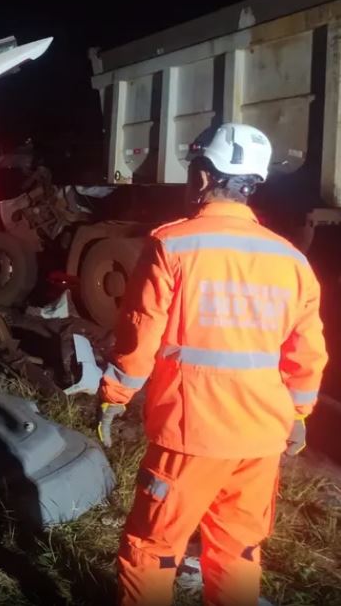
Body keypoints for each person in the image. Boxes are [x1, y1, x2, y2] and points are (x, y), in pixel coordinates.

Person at [97, 123, 329, 606]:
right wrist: (299, 416)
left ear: (203, 178)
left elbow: (141, 332)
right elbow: (307, 354)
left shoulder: (172, 245)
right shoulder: (290, 260)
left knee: (152, 550)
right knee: (238, 550)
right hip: (261, 437)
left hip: (191, 433)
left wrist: (115, 396)